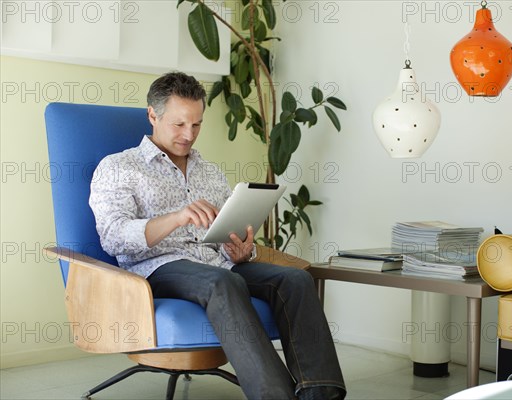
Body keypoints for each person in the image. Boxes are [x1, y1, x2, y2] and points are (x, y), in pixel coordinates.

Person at [89, 71, 346, 400]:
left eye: (196, 124)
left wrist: (240, 251)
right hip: (158, 266)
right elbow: (112, 236)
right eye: (179, 124)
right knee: (222, 282)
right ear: (153, 115)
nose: (188, 134)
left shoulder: (209, 171)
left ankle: (320, 395)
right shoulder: (118, 167)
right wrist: (176, 218)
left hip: (216, 263)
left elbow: (226, 233)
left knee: (295, 281)